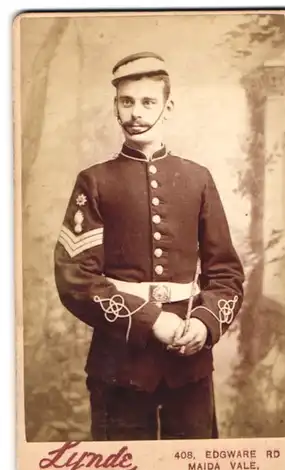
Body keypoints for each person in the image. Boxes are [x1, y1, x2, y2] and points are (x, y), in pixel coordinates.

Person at [54, 52, 245, 441]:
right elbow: (76, 278)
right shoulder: (94, 182)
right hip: (119, 365)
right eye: (127, 102)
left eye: (148, 102)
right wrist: (151, 319)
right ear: (115, 107)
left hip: (189, 365)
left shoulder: (197, 179)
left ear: (167, 107)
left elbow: (225, 273)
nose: (136, 113)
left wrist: (206, 324)